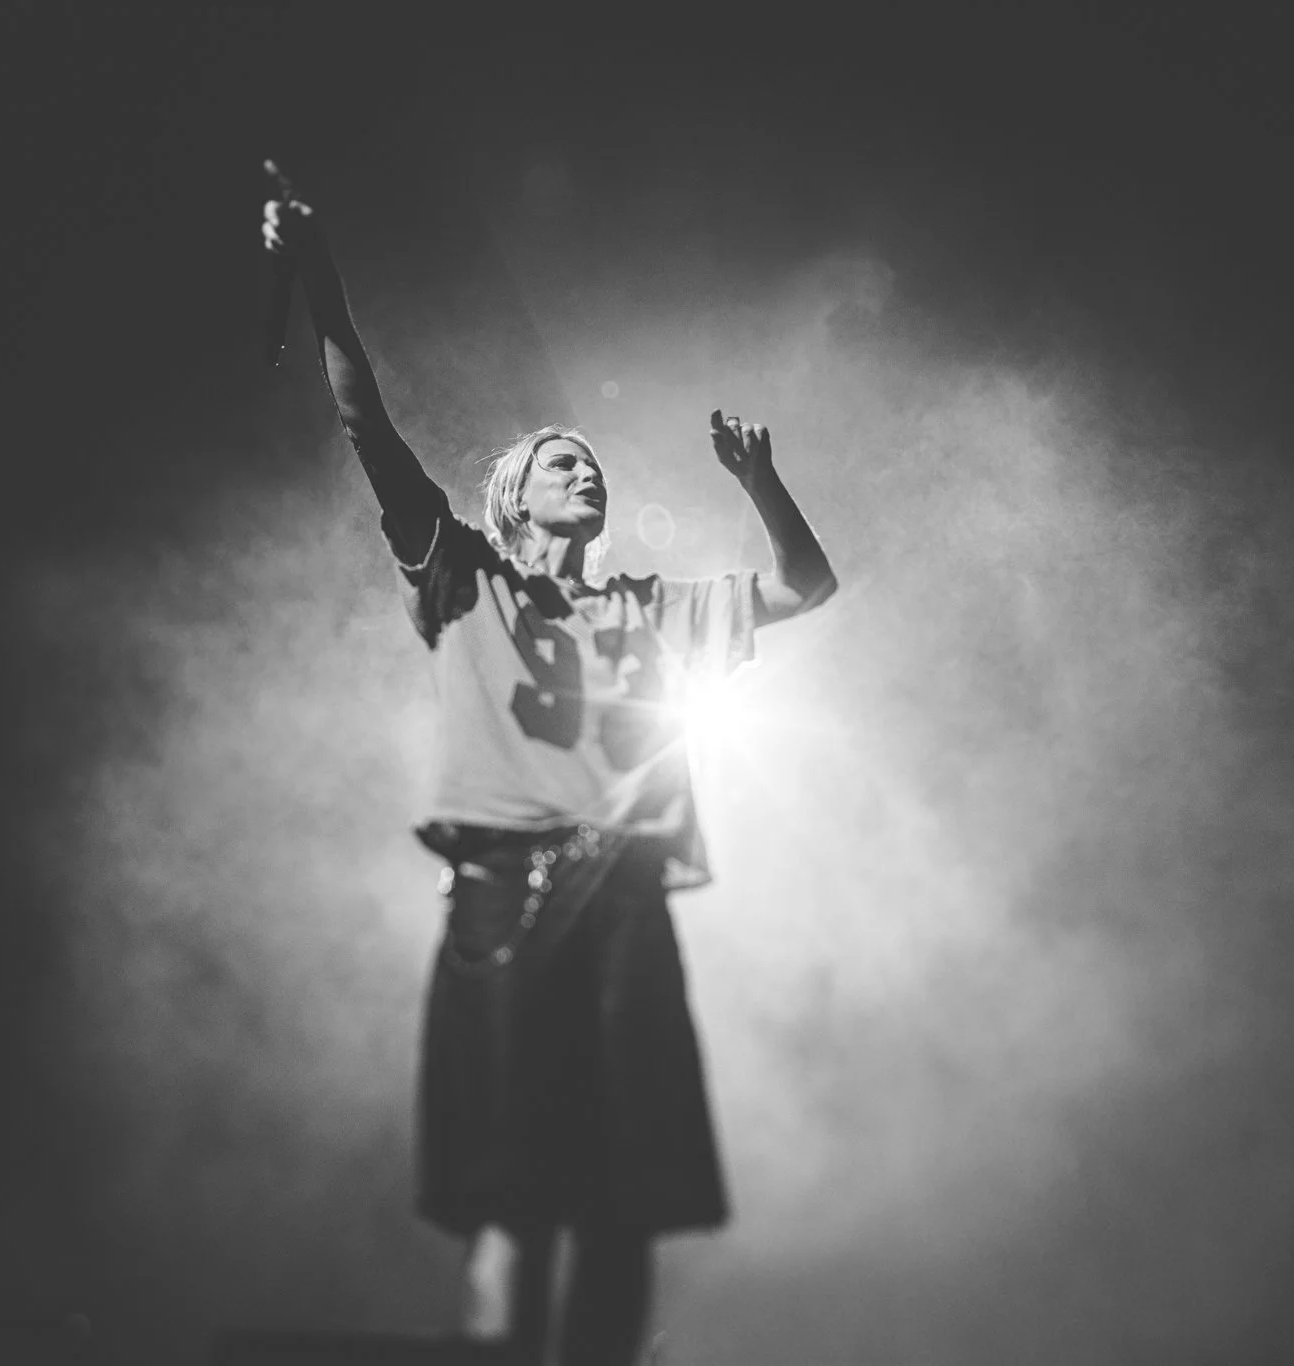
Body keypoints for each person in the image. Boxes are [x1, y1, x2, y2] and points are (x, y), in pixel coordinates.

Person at [261, 166, 836, 1366]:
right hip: (503, 887)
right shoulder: (460, 574)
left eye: (593, 464)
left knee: (625, 1197)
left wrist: (759, 482)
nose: (588, 471)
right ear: (510, 499)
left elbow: (804, 586)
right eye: (560, 462)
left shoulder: (651, 605)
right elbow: (366, 421)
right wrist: (317, 276)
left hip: (626, 893)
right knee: (516, 1188)